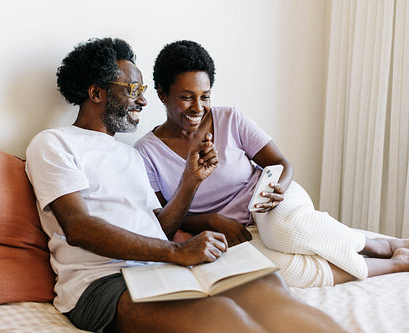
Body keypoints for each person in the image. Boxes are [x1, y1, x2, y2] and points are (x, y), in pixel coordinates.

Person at [25, 37, 348, 333]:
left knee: (271, 291)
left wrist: (190, 181)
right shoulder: (54, 143)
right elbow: (79, 228)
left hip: (161, 265)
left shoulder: (131, 156)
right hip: (101, 283)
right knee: (221, 315)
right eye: (133, 90)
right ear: (96, 93)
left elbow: (159, 230)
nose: (144, 102)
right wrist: (178, 252)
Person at [134, 40, 409, 288]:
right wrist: (210, 219)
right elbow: (164, 221)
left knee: (282, 233)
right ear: (161, 94)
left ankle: (378, 245)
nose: (198, 106)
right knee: (280, 273)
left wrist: (278, 188)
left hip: (269, 203)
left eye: (204, 96)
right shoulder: (146, 152)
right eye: (186, 97)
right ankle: (394, 264)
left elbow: (279, 163)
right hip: (235, 232)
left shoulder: (230, 119)